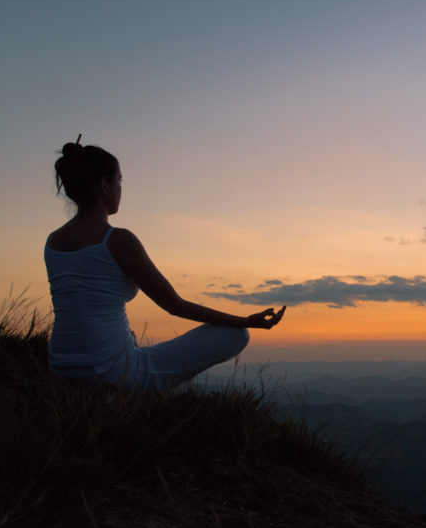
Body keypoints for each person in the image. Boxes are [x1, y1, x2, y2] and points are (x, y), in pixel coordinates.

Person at [44, 135, 285, 391]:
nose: (121, 189)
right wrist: (245, 321)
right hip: (112, 372)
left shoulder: (53, 242)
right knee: (235, 335)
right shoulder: (117, 240)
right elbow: (174, 305)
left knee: (129, 336)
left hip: (60, 366)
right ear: (105, 185)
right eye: (119, 180)